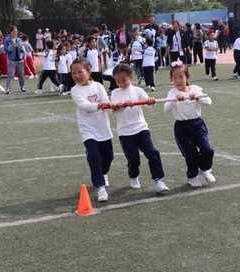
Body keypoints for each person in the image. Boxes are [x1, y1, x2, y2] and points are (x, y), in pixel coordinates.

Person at [110, 63, 169, 192]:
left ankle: (158, 180)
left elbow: (149, 105)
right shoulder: (115, 93)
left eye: (124, 80)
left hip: (141, 128)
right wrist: (123, 106)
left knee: (152, 153)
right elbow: (114, 111)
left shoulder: (138, 91)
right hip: (125, 132)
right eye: (117, 80)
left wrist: (150, 101)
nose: (121, 83)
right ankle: (133, 176)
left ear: (130, 77)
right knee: (133, 160)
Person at [164, 62, 215, 187]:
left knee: (208, 150)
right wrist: (175, 100)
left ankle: (204, 169)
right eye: (174, 78)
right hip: (182, 128)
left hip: (198, 125)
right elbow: (166, 110)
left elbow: (208, 102)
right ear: (171, 80)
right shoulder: (172, 92)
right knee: (191, 155)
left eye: (181, 77)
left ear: (187, 78)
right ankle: (192, 177)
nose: (178, 81)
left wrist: (198, 97)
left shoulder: (195, 89)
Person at [70, 58, 114, 202]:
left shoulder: (99, 86)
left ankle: (103, 173)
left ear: (89, 72)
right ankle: (101, 187)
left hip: (103, 127)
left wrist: (116, 106)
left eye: (80, 72)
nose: (76, 75)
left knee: (108, 157)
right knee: (94, 156)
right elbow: (84, 106)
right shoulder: (75, 90)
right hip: (87, 129)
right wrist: (101, 105)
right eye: (73, 73)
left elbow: (107, 104)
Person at [4, 25, 26, 93]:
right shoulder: (7, 40)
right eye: (14, 32)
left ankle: (22, 86)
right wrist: (12, 45)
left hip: (19, 59)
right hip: (12, 60)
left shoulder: (19, 39)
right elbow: (6, 50)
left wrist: (22, 49)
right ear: (10, 32)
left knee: (21, 75)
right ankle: (8, 88)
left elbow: (22, 49)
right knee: (11, 75)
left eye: (16, 32)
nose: (15, 33)